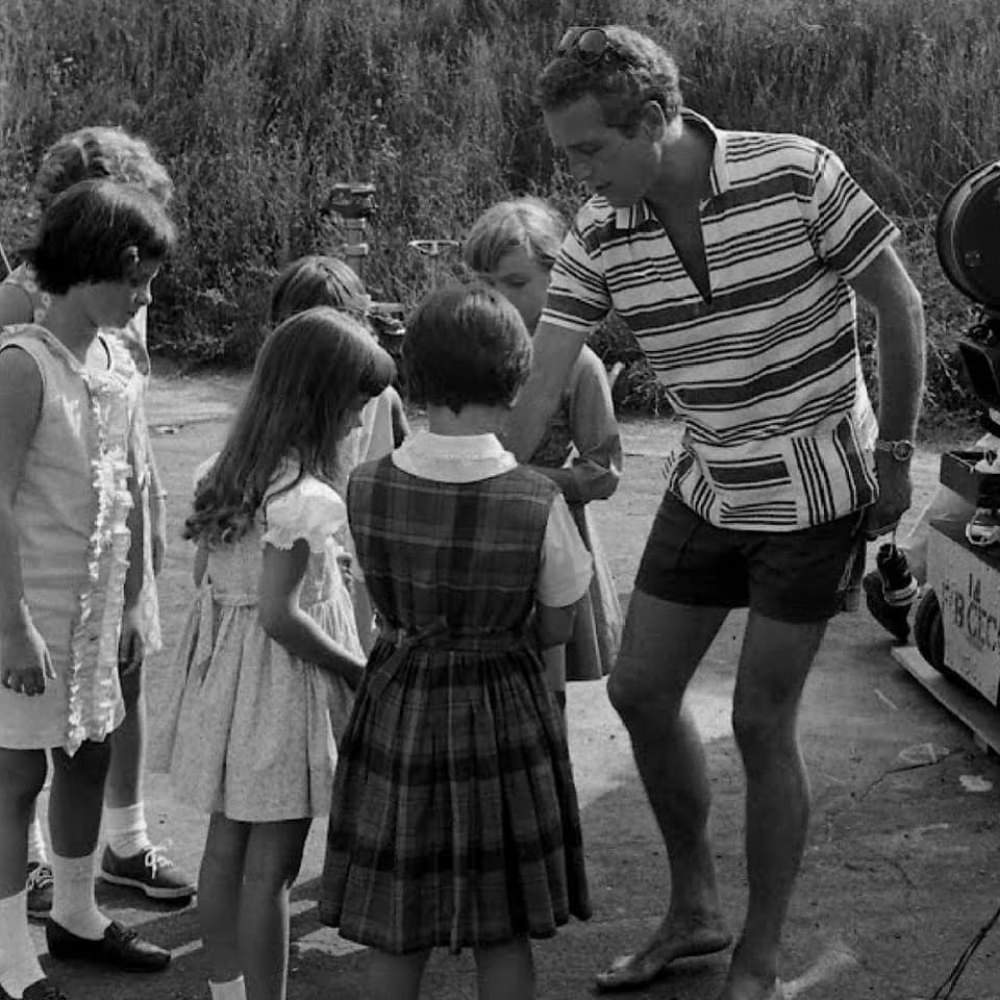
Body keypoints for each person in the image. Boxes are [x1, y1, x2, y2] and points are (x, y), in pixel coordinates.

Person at [504, 25, 926, 1000]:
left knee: (757, 718)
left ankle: (759, 957)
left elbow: (897, 307)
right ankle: (694, 911)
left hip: (815, 482)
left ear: (653, 121)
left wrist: (895, 456)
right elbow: (541, 383)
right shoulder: (601, 229)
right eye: (567, 154)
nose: (576, 173)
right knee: (639, 690)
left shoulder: (797, 175)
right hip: (710, 477)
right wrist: (462, 481)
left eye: (588, 150)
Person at [319, 284, 594, 1000]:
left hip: (399, 706)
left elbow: (368, 582)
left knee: (397, 919)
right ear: (515, 381)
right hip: (502, 713)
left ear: (414, 378)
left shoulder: (365, 485)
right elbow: (560, 623)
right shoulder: (539, 499)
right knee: (500, 924)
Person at [155, 306, 392, 1000]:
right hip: (281, 694)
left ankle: (225, 991)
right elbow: (281, 616)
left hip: (224, 685)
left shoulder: (224, 474)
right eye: (353, 408)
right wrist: (356, 666)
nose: (357, 424)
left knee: (224, 851)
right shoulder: (304, 500)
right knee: (273, 873)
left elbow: (208, 578)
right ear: (319, 404)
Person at [0, 125, 195, 913]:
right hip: (41, 553)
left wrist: (143, 554)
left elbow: (127, 427)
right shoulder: (24, 326)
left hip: (109, 531)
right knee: (24, 752)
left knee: (111, 696)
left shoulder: (117, 310)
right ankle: (31, 883)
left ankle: (115, 853)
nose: (146, 293)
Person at [464, 196, 623, 709]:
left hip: (546, 539)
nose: (497, 297)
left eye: (514, 283)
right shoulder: (462, 350)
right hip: (469, 540)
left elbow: (604, 472)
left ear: (556, 278)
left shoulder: (579, 366)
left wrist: (522, 477)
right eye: (485, 283)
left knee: (541, 684)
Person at [267, 254, 410, 650]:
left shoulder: (378, 398)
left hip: (353, 563)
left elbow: (387, 486)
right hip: (287, 564)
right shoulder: (271, 397)